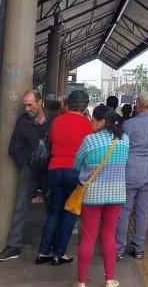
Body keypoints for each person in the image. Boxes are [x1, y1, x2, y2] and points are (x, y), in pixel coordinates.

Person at [0, 90, 58, 261]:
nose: (27, 108)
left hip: (51, 169)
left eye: (30, 104)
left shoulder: (55, 118)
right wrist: (28, 163)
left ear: (40, 102)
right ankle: (13, 245)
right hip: (30, 169)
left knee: (53, 207)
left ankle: (53, 243)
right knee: (21, 205)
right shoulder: (22, 122)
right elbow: (14, 148)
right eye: (24, 105)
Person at [74, 106, 130, 287]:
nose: (91, 122)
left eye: (93, 120)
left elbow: (77, 164)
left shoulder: (89, 141)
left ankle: (81, 282)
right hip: (116, 194)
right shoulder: (124, 140)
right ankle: (110, 279)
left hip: (92, 195)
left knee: (88, 236)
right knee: (108, 235)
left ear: (102, 122)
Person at [36, 90, 93, 266]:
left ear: (68, 104)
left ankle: (43, 252)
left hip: (54, 169)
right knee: (69, 213)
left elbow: (51, 141)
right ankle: (59, 254)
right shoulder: (87, 125)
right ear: (84, 107)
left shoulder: (57, 121)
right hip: (74, 171)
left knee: (54, 211)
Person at [115, 91, 148, 261]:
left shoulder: (128, 125)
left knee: (124, 211)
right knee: (142, 212)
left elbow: (119, 147)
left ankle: (119, 249)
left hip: (128, 173)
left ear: (138, 106)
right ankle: (139, 249)